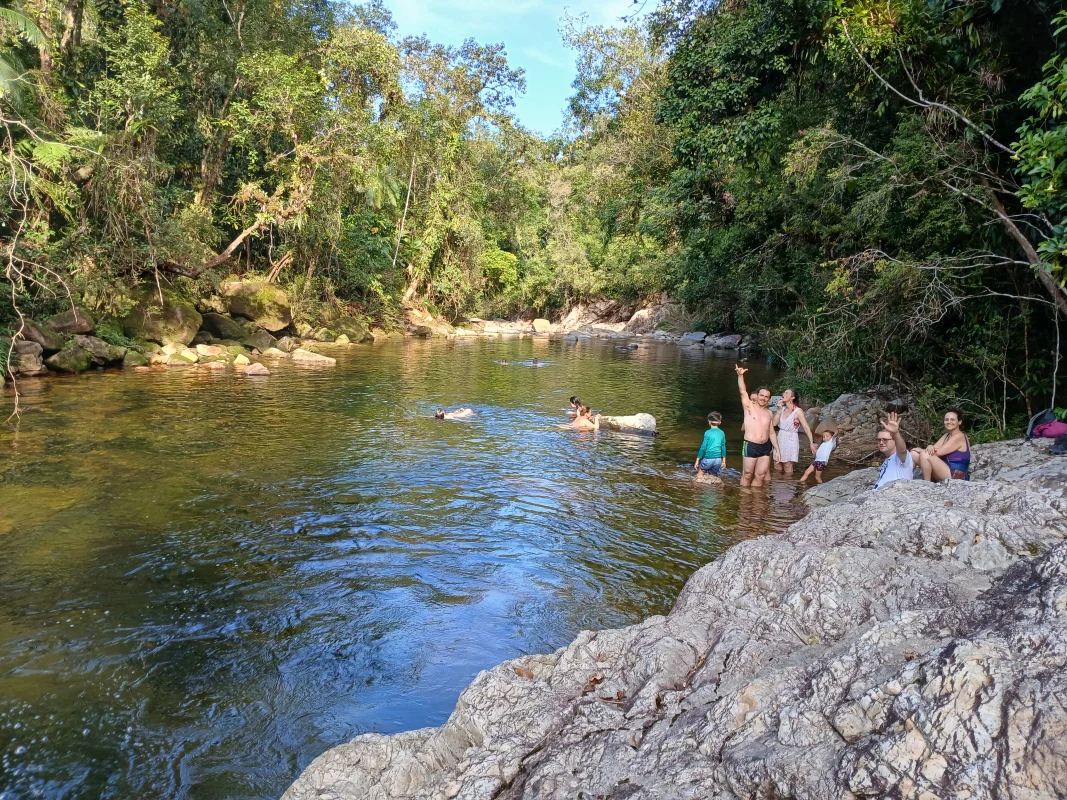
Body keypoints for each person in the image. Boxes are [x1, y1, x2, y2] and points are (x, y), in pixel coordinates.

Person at [735, 365, 780, 487]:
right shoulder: (749, 407)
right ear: (757, 396)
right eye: (762, 395)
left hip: (765, 447)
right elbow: (743, 391)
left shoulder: (769, 413)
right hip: (750, 445)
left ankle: (756, 502)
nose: (763, 398)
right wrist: (740, 376)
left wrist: (777, 449)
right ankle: (744, 501)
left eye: (766, 397)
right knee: (748, 474)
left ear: (769, 400)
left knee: (760, 476)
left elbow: (771, 433)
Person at [910, 408, 971, 481]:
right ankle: (908, 478)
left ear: (959, 422)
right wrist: (930, 446)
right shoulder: (946, 435)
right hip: (944, 470)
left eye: (952, 420)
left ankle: (926, 483)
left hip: (956, 475)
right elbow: (932, 449)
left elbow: (938, 453)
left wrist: (921, 450)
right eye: (946, 420)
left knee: (925, 454)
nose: (949, 422)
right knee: (913, 454)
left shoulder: (959, 436)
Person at [772, 388, 817, 475]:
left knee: (787, 467)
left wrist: (811, 442)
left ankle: (788, 487)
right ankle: (776, 487)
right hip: (780, 438)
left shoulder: (798, 411)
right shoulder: (782, 409)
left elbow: (806, 428)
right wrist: (779, 409)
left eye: (786, 393)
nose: (783, 394)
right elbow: (774, 423)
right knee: (777, 466)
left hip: (791, 439)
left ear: (792, 397)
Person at [875, 411, 914, 489]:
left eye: (885, 440)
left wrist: (896, 433)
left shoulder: (900, 458)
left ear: (894, 441)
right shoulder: (887, 460)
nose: (881, 442)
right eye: (879, 440)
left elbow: (902, 450)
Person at [694, 411, 727, 477]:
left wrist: (697, 460)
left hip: (708, 458)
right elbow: (723, 447)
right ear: (720, 422)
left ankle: (698, 486)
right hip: (718, 460)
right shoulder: (722, 433)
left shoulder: (707, 433)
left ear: (709, 422)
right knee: (712, 476)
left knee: (700, 475)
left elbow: (703, 447)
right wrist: (724, 462)